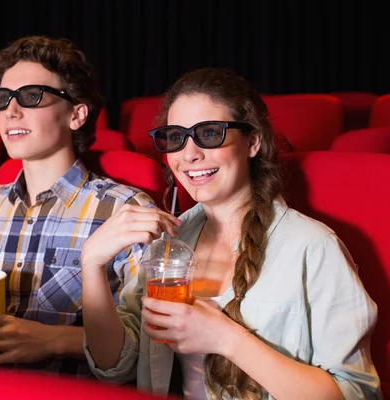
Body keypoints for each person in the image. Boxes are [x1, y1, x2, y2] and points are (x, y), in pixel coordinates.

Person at [81, 67, 382, 399]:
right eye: (176, 137)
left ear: (252, 141)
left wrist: (226, 338)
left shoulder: (313, 247)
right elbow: (114, 366)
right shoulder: (169, 247)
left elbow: (354, 394)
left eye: (210, 133)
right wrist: (91, 263)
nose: (189, 154)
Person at [0, 36, 157, 398]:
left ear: (76, 113)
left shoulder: (124, 210)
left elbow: (145, 350)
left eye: (31, 96)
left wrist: (52, 340)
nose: (10, 111)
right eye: (2, 99)